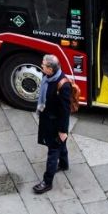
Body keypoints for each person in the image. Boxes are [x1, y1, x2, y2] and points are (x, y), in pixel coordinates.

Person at [32, 54, 72, 195]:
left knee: (53, 150)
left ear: (50, 69)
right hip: (48, 119)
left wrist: (63, 130)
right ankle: (64, 164)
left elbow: (65, 111)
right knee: (62, 144)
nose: (41, 66)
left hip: (55, 124)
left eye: (43, 65)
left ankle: (47, 182)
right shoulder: (48, 78)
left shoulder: (63, 85)